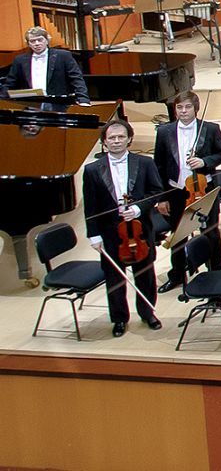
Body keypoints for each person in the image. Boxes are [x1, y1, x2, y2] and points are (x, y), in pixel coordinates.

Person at [84, 118, 164, 336]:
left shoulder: (145, 163)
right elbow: (90, 206)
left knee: (145, 274)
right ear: (104, 142)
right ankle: (119, 318)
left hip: (140, 230)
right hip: (110, 232)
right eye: (112, 138)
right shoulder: (92, 170)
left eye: (121, 137)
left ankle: (148, 313)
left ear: (129, 139)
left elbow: (156, 192)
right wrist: (94, 235)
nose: (116, 141)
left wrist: (138, 209)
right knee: (114, 277)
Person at [155, 91, 221, 293]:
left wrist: (205, 162)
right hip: (176, 191)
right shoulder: (164, 132)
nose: (184, 111)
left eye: (187, 107)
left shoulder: (210, 128)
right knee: (178, 234)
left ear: (196, 109)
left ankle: (216, 269)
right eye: (179, 107)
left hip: (204, 190)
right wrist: (162, 197)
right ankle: (178, 274)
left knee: (210, 232)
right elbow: (159, 165)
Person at [2, 26, 89, 107]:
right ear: (28, 44)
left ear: (47, 40)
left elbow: (76, 79)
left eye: (40, 40)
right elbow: (10, 83)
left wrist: (83, 100)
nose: (36, 44)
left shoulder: (63, 55)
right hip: (30, 105)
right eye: (32, 41)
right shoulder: (20, 60)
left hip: (59, 104)